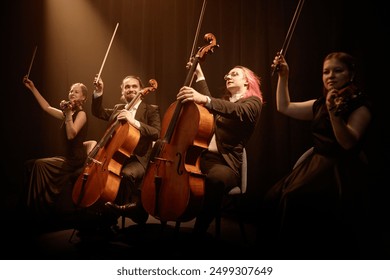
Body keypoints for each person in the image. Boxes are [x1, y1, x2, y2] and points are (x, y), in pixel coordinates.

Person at [260, 52, 372, 259]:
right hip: (315, 164)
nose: (330, 76)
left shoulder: (360, 106)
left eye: (338, 70)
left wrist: (334, 113)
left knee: (293, 200)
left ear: (351, 74)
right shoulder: (321, 103)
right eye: (326, 72)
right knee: (272, 197)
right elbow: (284, 107)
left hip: (341, 170)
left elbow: (347, 143)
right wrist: (284, 77)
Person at [177, 64, 263, 237]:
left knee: (216, 179)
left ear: (247, 82)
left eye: (234, 74)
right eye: (227, 75)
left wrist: (205, 99)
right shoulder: (223, 104)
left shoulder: (253, 103)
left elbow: (235, 110)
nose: (228, 77)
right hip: (203, 158)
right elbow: (210, 103)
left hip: (225, 164)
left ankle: (198, 231)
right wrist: (200, 75)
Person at [91, 75, 161, 226]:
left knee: (126, 174)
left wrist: (133, 121)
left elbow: (156, 132)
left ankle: (111, 215)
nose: (131, 89)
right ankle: (101, 210)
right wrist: (99, 92)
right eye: (127, 87)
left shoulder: (150, 110)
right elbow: (98, 112)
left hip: (138, 159)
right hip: (115, 156)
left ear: (141, 89)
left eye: (134, 86)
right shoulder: (118, 108)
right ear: (122, 91)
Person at [23, 76, 88, 225]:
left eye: (76, 92)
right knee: (30, 164)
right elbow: (46, 107)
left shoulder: (81, 114)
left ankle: (37, 214)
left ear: (83, 97)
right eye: (71, 91)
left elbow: (71, 135)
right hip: (67, 157)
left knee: (39, 165)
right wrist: (33, 88)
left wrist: (68, 114)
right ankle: (30, 207)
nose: (71, 93)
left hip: (75, 159)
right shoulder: (68, 114)